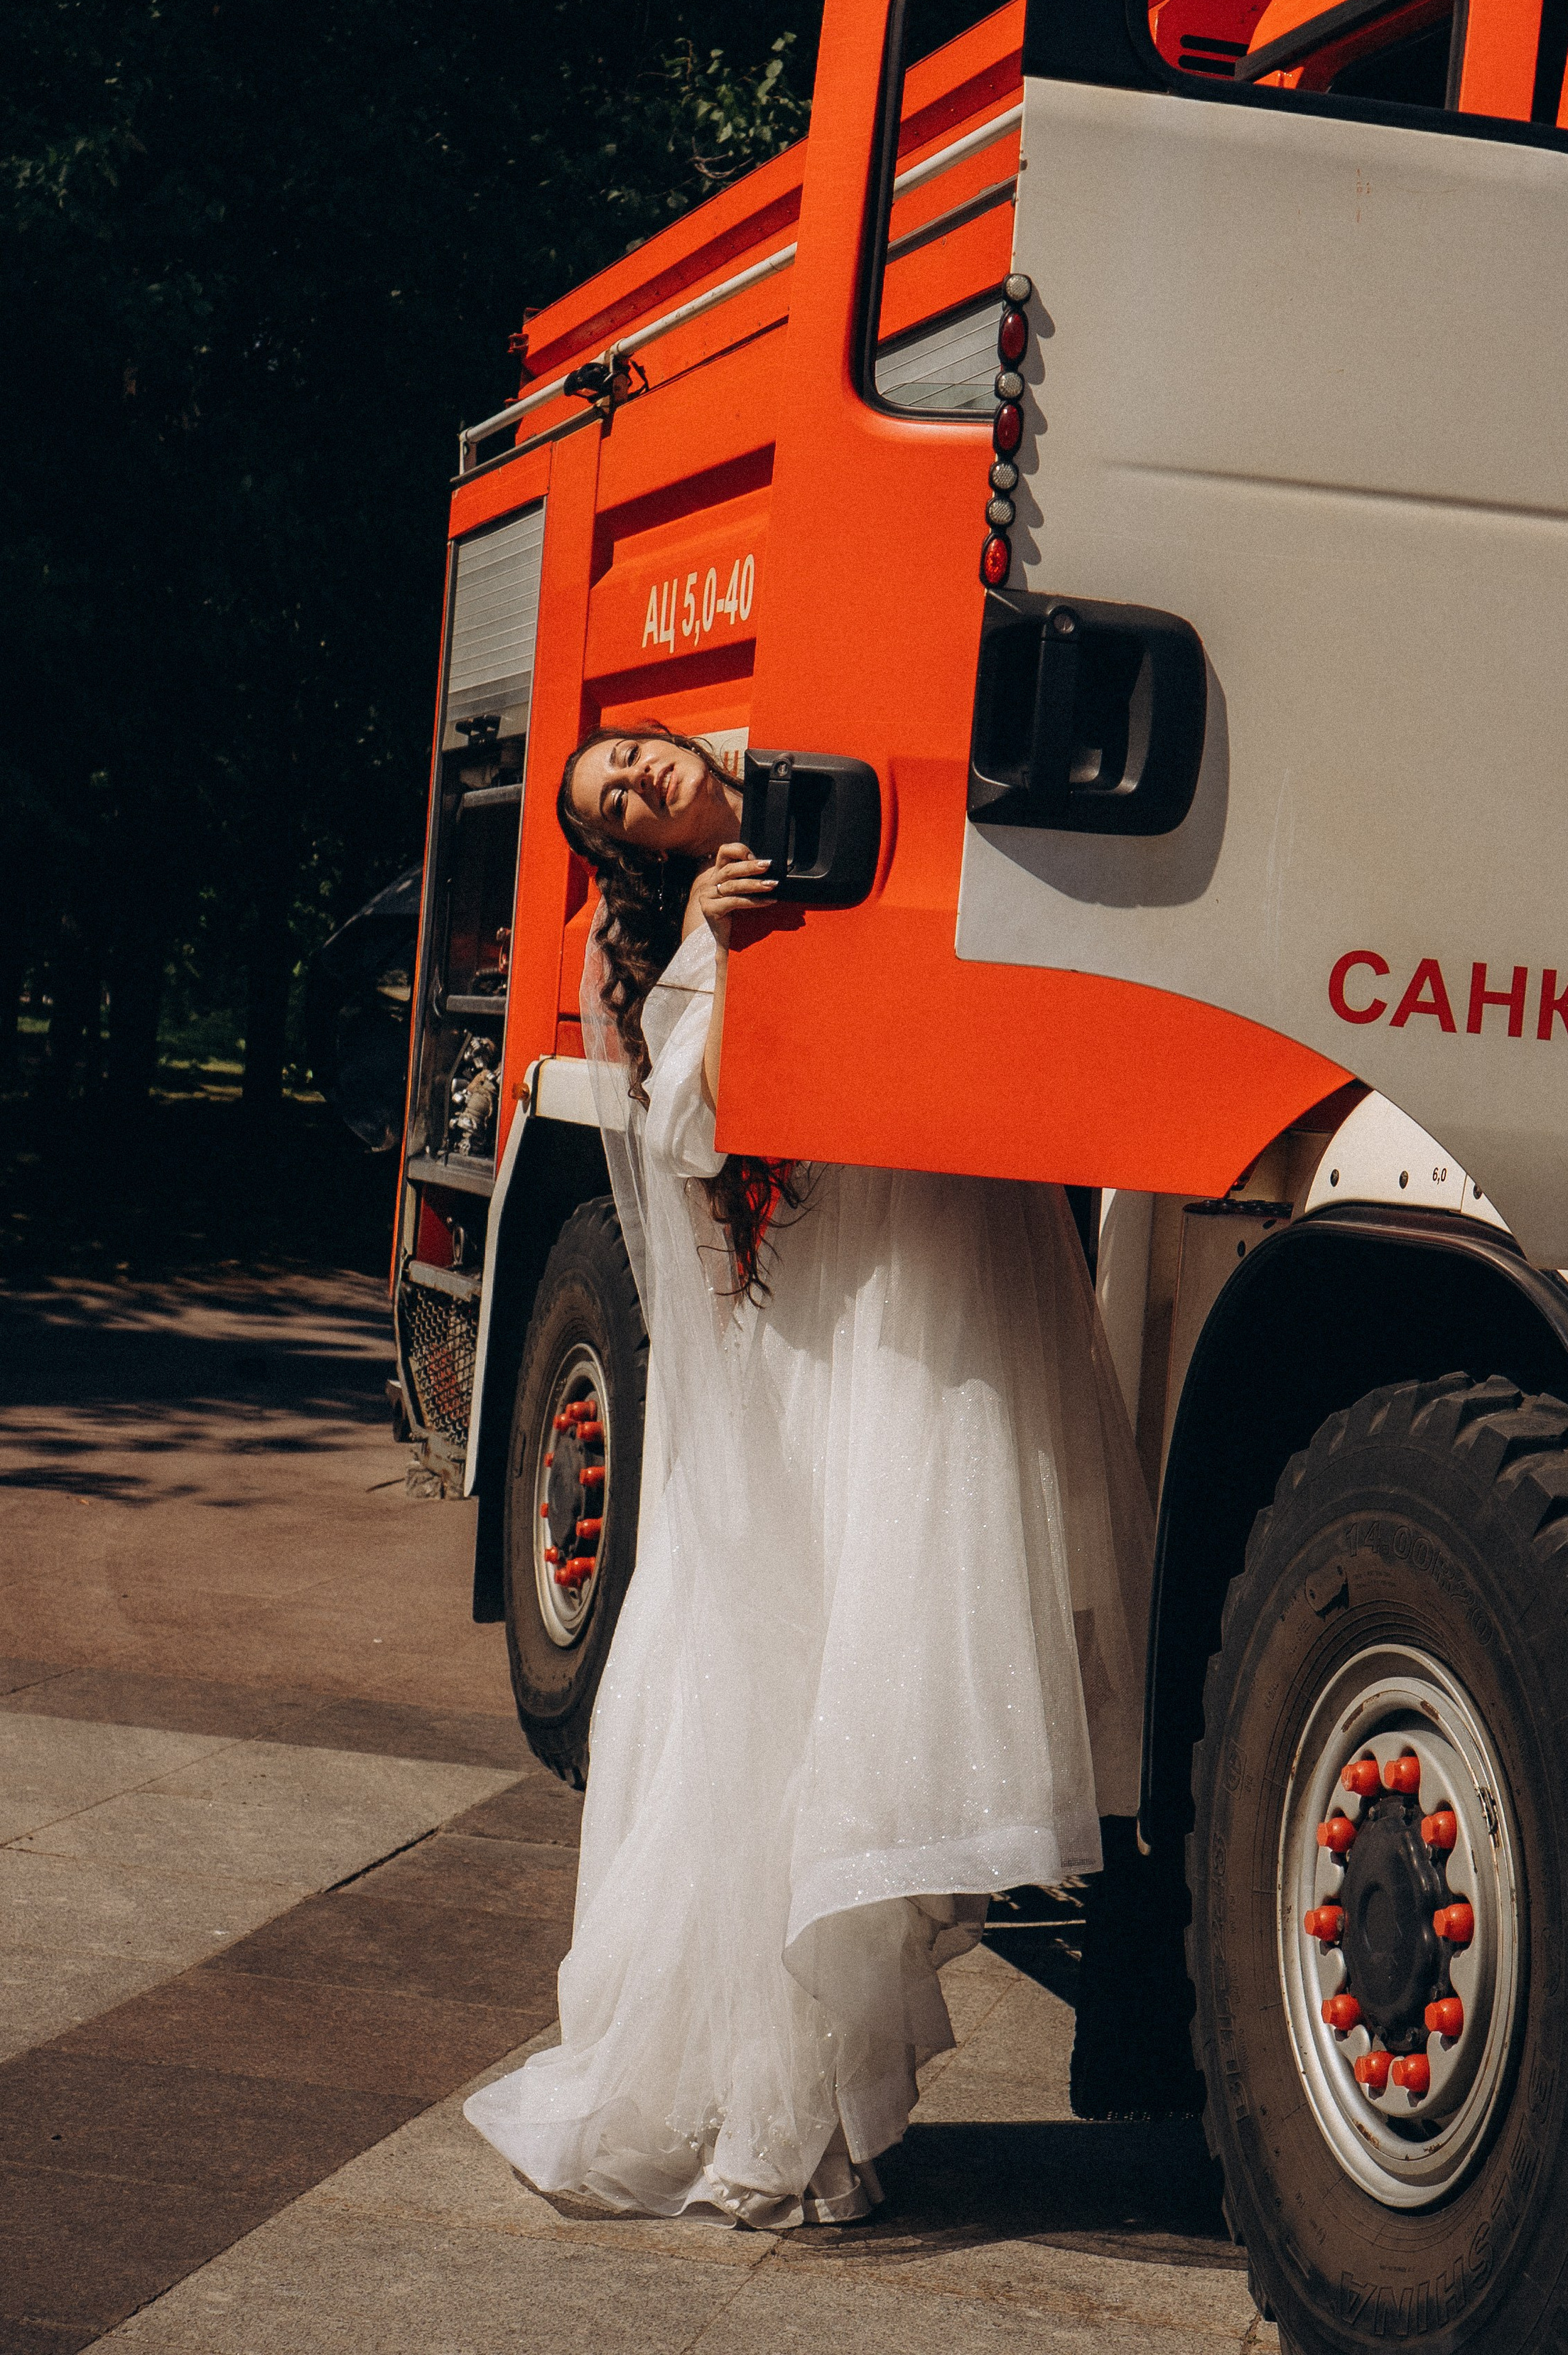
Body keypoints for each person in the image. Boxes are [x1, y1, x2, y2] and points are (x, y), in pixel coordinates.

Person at [464, 723, 1154, 2227]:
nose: (637, 781)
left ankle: (837, 2092)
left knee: (903, 1645)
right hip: (829, 1309)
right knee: (805, 1663)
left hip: (931, 1251)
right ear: (625, 854)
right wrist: (707, 948)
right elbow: (676, 1132)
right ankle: (784, 2099)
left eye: (630, 758)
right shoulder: (648, 944)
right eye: (611, 804)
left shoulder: (834, 771)